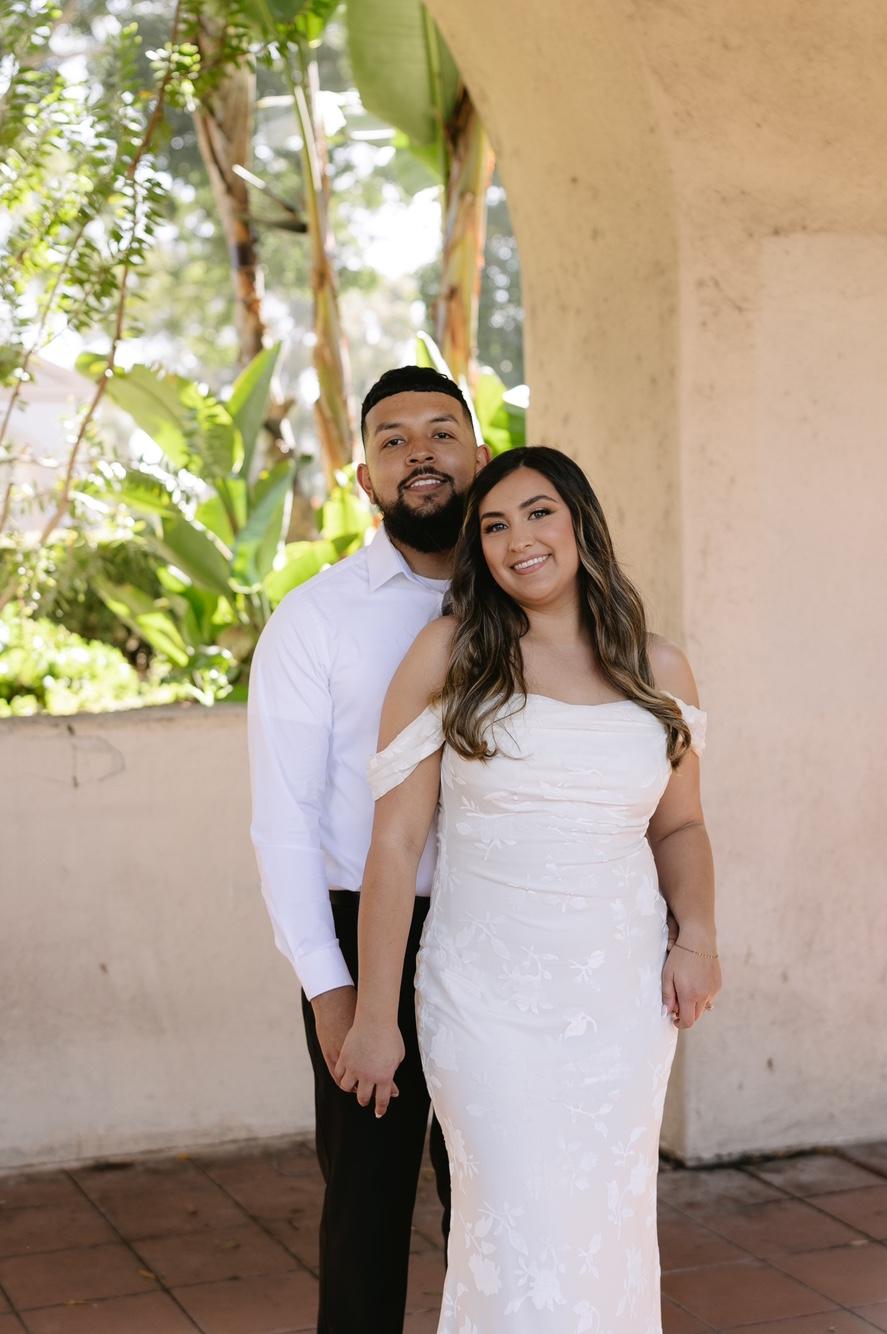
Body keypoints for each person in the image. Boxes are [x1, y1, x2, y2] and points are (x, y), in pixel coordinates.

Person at [335, 445, 722, 1332]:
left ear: (581, 522)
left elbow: (681, 827)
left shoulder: (660, 670)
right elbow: (394, 844)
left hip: (620, 1005)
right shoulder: (451, 652)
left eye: (539, 512)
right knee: (516, 1232)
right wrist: (375, 1017)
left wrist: (697, 937)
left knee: (607, 1229)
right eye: (494, 526)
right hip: (487, 1005)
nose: (520, 541)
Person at [247, 366, 491, 1333]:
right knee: (367, 1211)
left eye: (441, 432)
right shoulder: (317, 619)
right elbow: (284, 820)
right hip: (367, 937)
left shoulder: (536, 600)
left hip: (503, 928)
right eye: (393, 440)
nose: (420, 453)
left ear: (479, 455)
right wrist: (330, 989)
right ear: (364, 479)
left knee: (497, 1201)